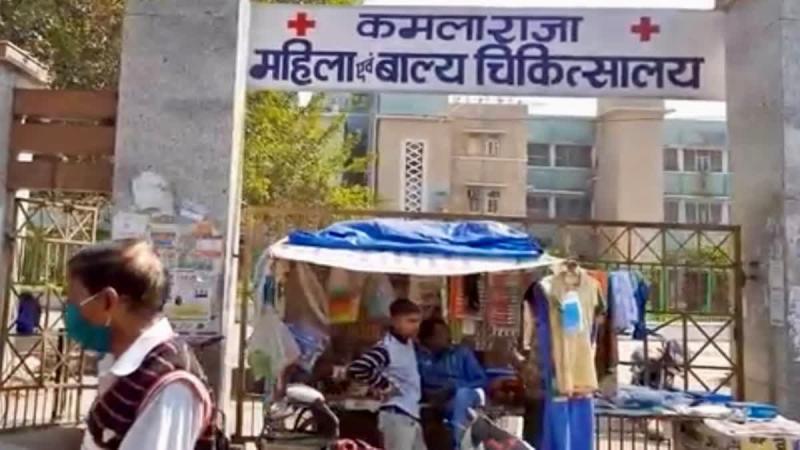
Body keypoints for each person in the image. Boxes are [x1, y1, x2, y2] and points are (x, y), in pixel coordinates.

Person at [65, 239, 219, 450]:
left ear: (108, 301)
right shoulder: (125, 366)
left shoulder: (170, 388)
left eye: (73, 300)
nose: (69, 309)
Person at [347, 298, 426, 450]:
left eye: (418, 322)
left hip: (411, 414)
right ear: (395, 321)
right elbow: (358, 368)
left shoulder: (408, 344)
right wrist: (386, 386)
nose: (416, 326)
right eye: (410, 321)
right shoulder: (387, 348)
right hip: (396, 414)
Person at [416, 318, 487, 449]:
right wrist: (434, 394)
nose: (448, 337)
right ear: (428, 340)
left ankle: (458, 445)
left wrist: (455, 387)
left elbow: (481, 380)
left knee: (462, 395)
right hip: (435, 400)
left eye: (447, 333)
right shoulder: (420, 357)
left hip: (466, 394)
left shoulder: (462, 353)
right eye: (441, 334)